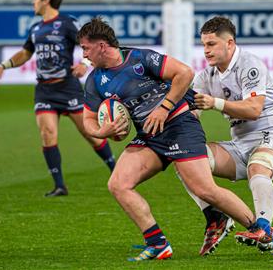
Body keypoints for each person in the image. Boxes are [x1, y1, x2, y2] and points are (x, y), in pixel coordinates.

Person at [77, 17, 257, 262]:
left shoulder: (140, 59)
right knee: (118, 184)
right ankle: (157, 244)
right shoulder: (94, 80)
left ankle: (260, 229)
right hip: (149, 135)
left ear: (101, 45)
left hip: (179, 125)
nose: (84, 54)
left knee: (204, 189)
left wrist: (164, 107)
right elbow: (88, 119)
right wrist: (103, 131)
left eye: (86, 48)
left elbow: (184, 73)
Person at [0, 0, 115, 197]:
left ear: (46, 0)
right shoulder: (36, 28)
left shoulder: (67, 23)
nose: (33, 1)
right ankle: (60, 186)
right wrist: (4, 65)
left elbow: (89, 43)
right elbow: (25, 53)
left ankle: (116, 172)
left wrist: (85, 63)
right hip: (44, 91)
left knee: (90, 134)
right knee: (47, 134)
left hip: (67, 87)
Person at [188, 16, 273, 261]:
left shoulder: (250, 65)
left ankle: (264, 227)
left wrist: (215, 103)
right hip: (239, 144)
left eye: (212, 44)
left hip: (272, 133)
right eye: (204, 45)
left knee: (259, 168)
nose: (206, 50)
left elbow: (254, 109)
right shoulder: (206, 76)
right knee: (188, 160)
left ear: (230, 43)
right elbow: (191, 112)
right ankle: (216, 219)